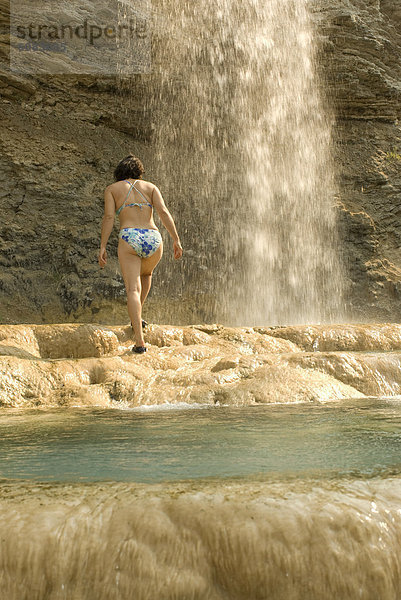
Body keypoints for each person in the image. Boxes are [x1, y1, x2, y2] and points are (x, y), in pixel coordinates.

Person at [98, 155, 183, 353]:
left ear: (119, 172)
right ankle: (137, 318)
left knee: (132, 290)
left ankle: (140, 343)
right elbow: (163, 212)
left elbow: (109, 217)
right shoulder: (151, 187)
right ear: (139, 171)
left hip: (130, 236)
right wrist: (176, 239)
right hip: (154, 237)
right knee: (147, 275)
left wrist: (102, 245)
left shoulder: (112, 189)